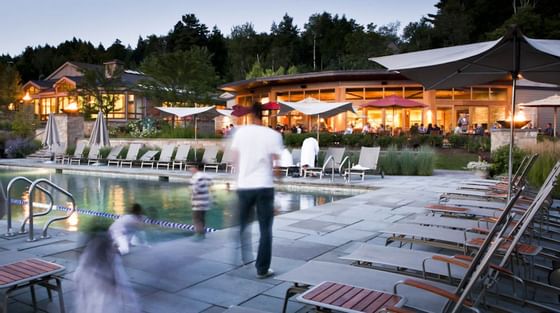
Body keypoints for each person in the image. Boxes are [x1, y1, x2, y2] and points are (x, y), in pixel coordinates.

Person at [231, 102, 283, 279]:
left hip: (244, 185)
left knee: (243, 223)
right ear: (263, 115)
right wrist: (279, 183)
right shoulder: (273, 135)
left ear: (250, 115)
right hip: (264, 186)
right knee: (265, 229)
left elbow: (234, 161)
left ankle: (243, 255)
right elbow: (277, 165)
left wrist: (238, 179)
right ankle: (262, 269)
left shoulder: (240, 133)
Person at [74, 230, 141, 313]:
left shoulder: (85, 263)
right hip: (107, 305)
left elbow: (79, 285)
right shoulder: (111, 261)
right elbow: (125, 289)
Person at [189, 165, 212, 239]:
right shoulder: (206, 175)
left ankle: (199, 235)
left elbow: (194, 190)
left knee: (197, 219)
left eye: (191, 167)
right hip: (205, 201)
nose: (189, 169)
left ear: (195, 168)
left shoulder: (196, 177)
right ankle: (203, 234)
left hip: (198, 202)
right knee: (202, 219)